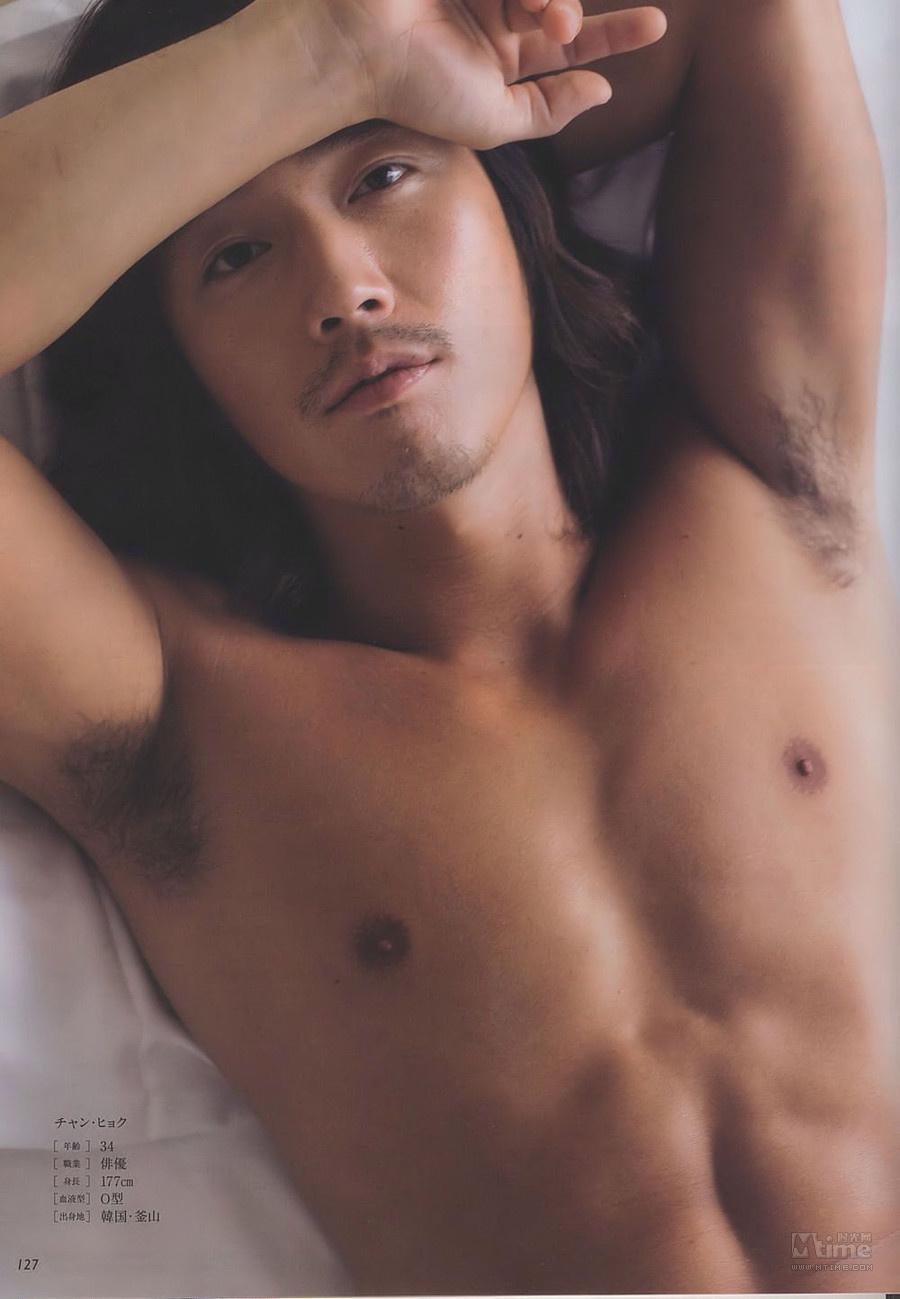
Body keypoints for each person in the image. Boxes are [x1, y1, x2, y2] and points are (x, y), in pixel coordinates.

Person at [0, 0, 896, 1291]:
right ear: (189, 369)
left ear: (513, 204)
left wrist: (462, 50)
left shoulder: (770, 476)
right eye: (235, 258)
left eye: (384, 177)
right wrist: (325, 54)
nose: (345, 293)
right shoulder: (174, 719)